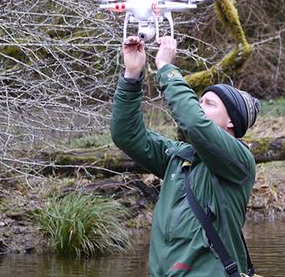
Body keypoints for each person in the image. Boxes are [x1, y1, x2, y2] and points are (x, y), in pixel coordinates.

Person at [110, 35, 260, 276]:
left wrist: (166, 68)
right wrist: (132, 75)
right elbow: (126, 135)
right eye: (198, 102)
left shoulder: (240, 161)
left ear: (231, 120)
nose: (199, 107)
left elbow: (194, 123)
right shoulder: (179, 157)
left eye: (209, 104)